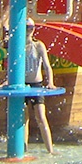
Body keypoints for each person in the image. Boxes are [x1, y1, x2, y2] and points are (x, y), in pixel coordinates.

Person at [23, 18, 56, 154]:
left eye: (31, 28)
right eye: (26, 28)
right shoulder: (18, 46)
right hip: (23, 85)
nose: (29, 30)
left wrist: (50, 82)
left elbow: (47, 66)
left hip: (37, 84)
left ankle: (50, 149)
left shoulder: (38, 45)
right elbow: (11, 68)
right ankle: (23, 150)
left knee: (41, 117)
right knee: (23, 119)